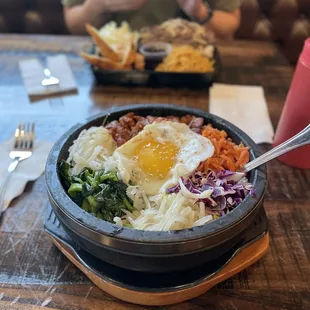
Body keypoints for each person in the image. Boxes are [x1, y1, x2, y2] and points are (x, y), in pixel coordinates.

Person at [63, 0, 241, 39]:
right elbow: (74, 25)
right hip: (117, 68)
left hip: (192, 67)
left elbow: (231, 24)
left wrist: (199, 11)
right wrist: (99, 5)